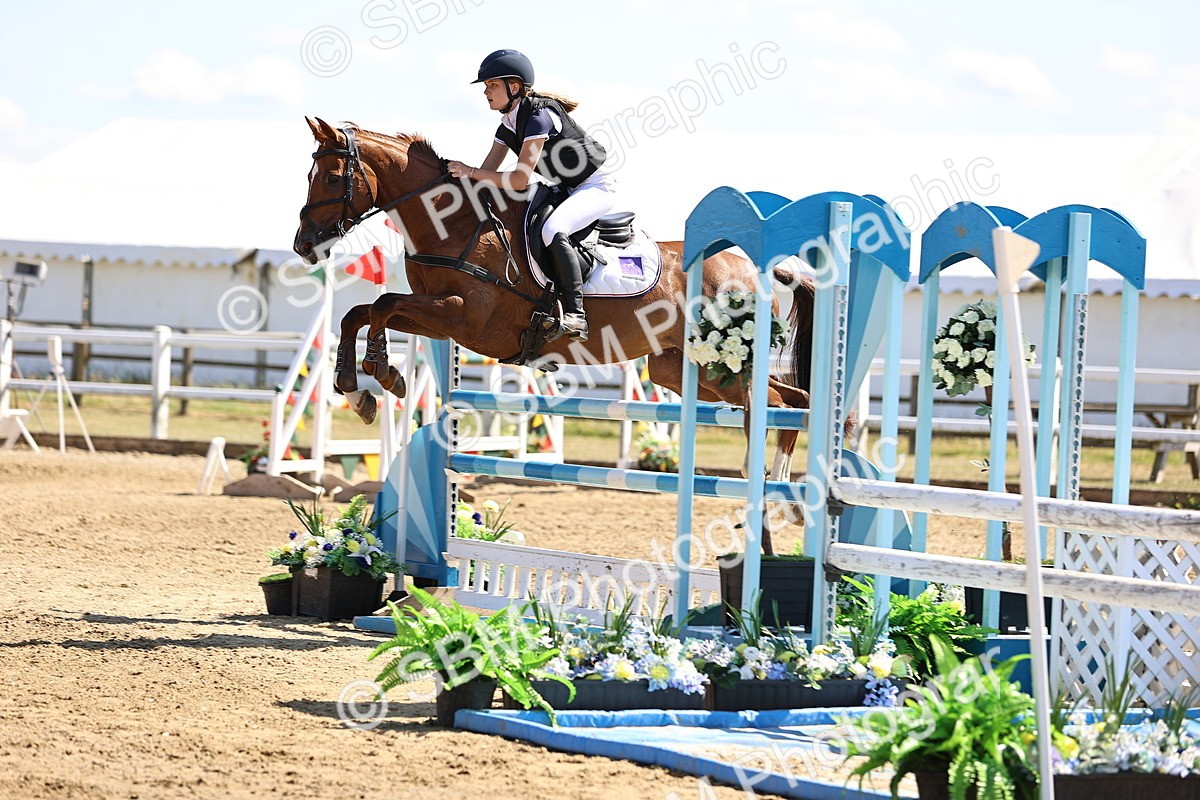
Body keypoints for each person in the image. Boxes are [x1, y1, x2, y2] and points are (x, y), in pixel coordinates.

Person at [447, 49, 614, 342]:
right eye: (485, 87)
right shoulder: (508, 124)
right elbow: (488, 172)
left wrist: (470, 171)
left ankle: (576, 315)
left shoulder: (539, 116)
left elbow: (519, 179)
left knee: (553, 229)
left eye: (492, 85)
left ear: (514, 87)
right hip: (565, 188)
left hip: (596, 185)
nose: (486, 92)